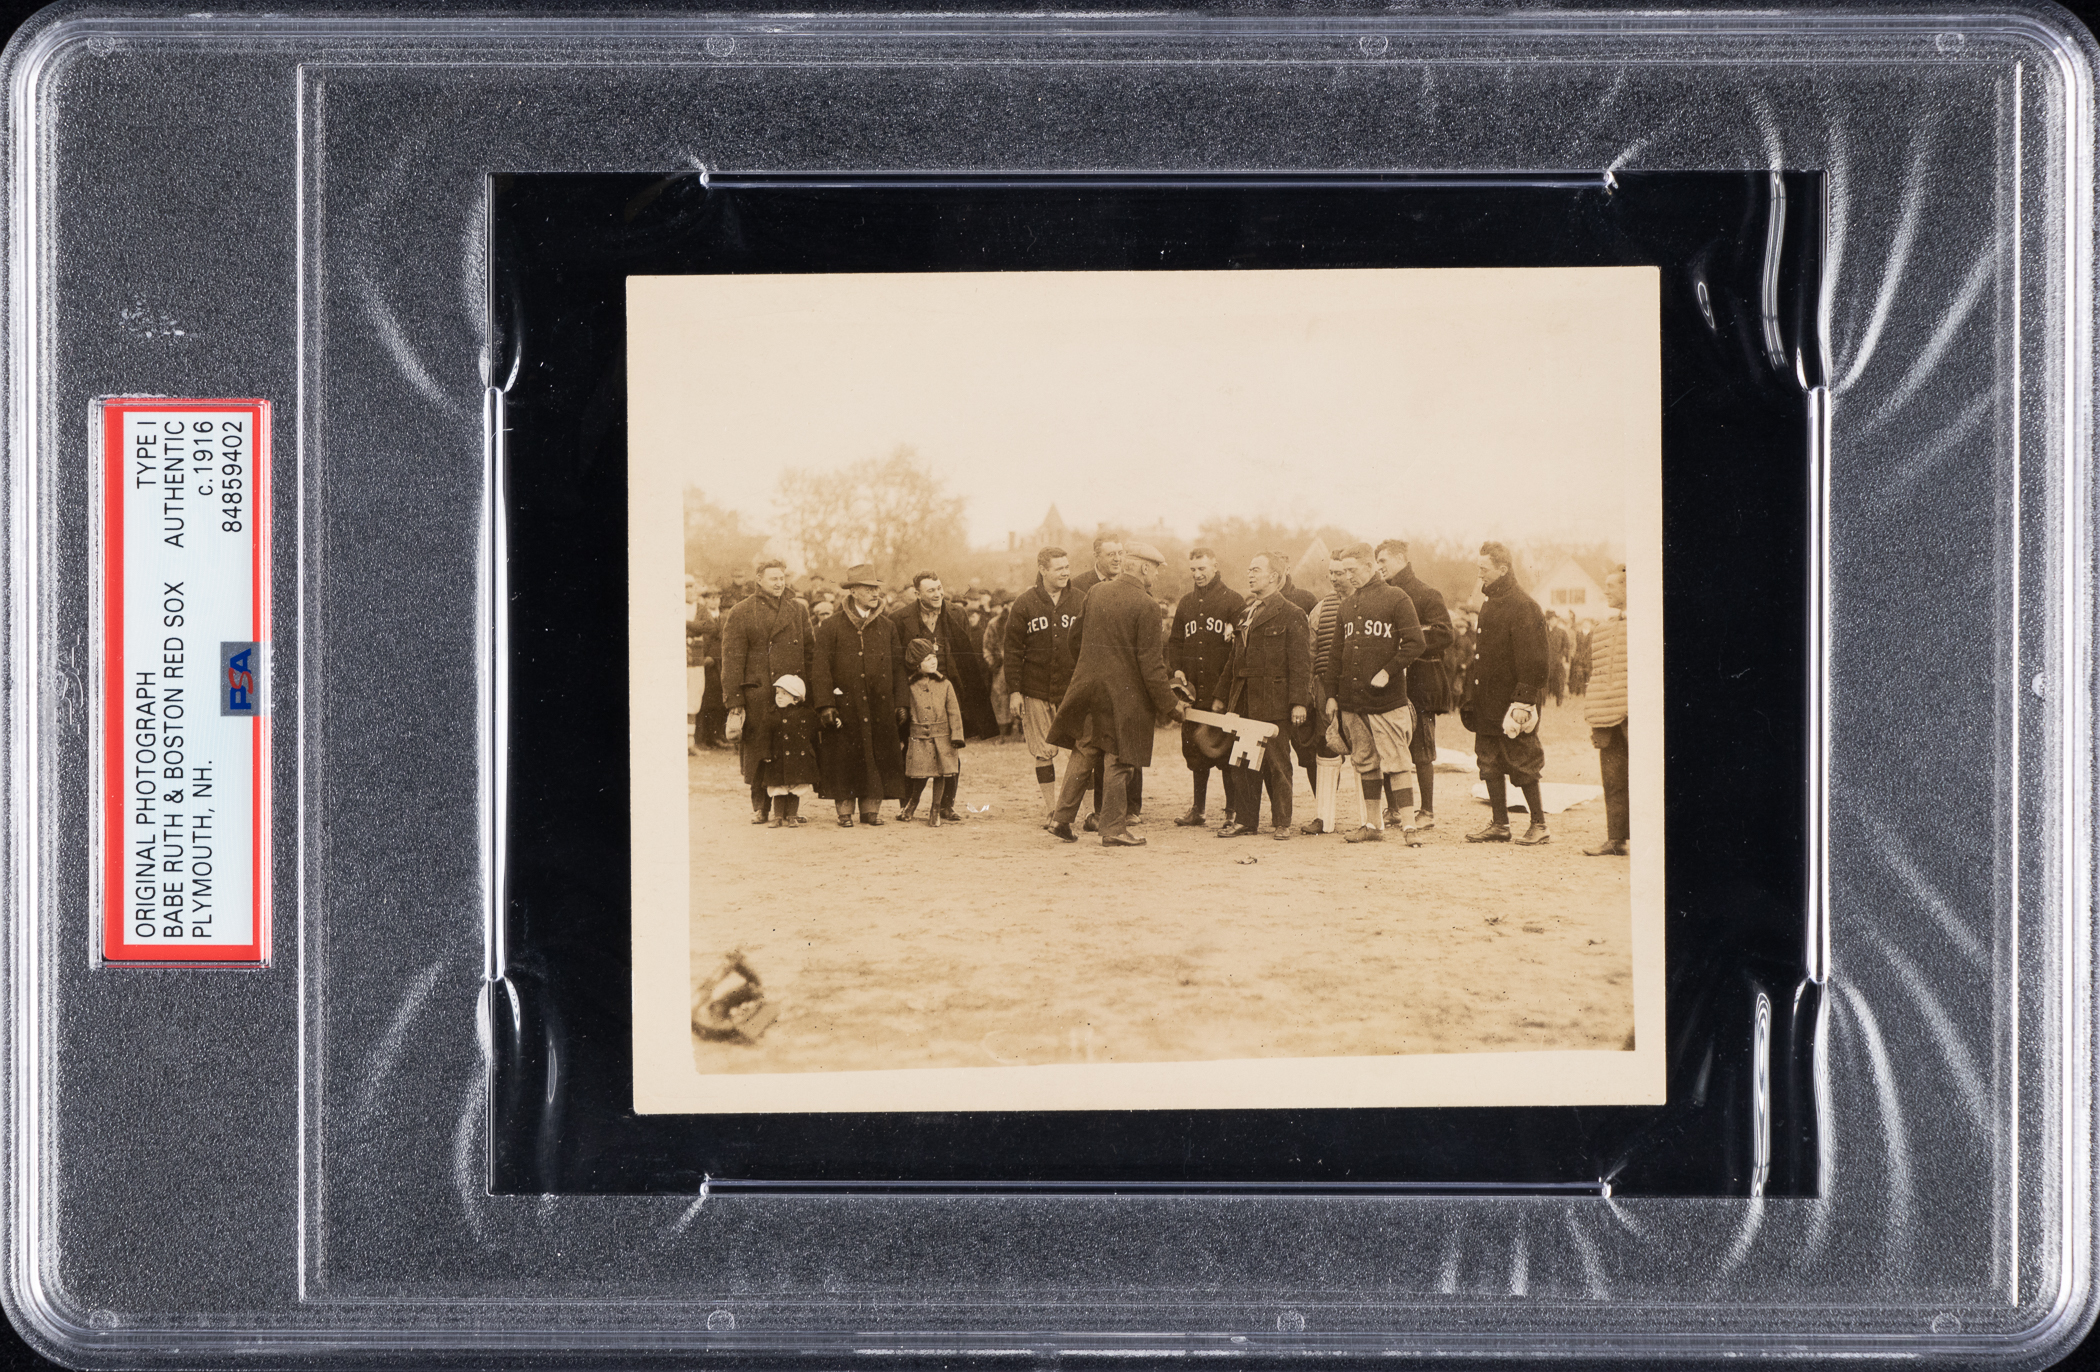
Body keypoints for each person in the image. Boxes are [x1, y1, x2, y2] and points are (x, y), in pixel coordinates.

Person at [1046, 542, 1185, 846]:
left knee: (1084, 751)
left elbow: (1074, 638)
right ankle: (1113, 829)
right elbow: (1151, 666)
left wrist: (1091, 668)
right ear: (1145, 568)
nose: (1157, 576)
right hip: (1126, 697)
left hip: (1089, 688)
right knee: (1120, 760)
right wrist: (1171, 705)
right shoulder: (1147, 605)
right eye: (1156, 569)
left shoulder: (1097, 592)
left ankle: (1061, 819)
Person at [1320, 542, 1426, 844]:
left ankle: (1409, 827)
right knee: (1365, 761)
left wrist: (1388, 670)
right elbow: (1335, 656)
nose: (1348, 576)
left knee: (1397, 762)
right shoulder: (1347, 605)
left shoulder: (1396, 597)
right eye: (1345, 571)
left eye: (1353, 570)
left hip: (1387, 700)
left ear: (1370, 567)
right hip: (1353, 700)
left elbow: (1415, 642)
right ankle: (1372, 824)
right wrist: (1331, 694)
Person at [1211, 551, 1312, 839]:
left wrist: (1298, 702)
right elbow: (1234, 661)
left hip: (1275, 703)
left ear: (1274, 576)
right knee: (1243, 763)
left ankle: (1282, 822)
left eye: (1256, 569)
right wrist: (1221, 696)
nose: (1250, 574)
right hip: (1244, 702)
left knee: (1277, 764)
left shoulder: (1293, 614)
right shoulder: (1246, 613)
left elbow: (1301, 663)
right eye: (1249, 569)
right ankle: (1246, 821)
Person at [888, 570, 1000, 820]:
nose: (938, 593)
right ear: (917, 594)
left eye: (939, 588)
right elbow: (896, 663)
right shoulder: (899, 618)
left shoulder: (956, 613)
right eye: (931, 590)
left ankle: (947, 805)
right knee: (912, 748)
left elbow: (964, 656)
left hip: (949, 692)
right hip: (915, 695)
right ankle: (907, 804)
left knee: (950, 748)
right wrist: (902, 700)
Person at [1461, 541, 1552, 845]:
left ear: (1502, 569)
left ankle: (1539, 825)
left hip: (1512, 702)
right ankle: (1500, 824)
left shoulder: (1524, 605)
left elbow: (1536, 660)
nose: (1480, 575)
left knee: (1523, 761)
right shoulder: (1489, 603)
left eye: (1484, 569)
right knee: (1487, 762)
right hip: (1487, 702)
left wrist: (1523, 702)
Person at [811, 564, 909, 828]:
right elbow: (820, 669)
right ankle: (844, 812)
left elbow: (898, 667)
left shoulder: (887, 627)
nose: (875, 593)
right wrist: (825, 705)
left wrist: (901, 702)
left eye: (876, 588)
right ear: (853, 591)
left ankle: (871, 810)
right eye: (868, 588)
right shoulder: (830, 627)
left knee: (877, 755)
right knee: (844, 756)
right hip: (845, 707)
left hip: (880, 707)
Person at [720, 557, 814, 825]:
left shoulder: (798, 610)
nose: (779, 583)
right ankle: (760, 807)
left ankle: (789, 809)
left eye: (782, 578)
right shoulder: (741, 611)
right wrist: (735, 700)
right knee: (759, 753)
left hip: (792, 695)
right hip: (758, 695)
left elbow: (809, 653)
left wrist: (807, 694)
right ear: (758, 579)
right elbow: (732, 660)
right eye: (773, 578)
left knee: (791, 752)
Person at [1374, 538, 1455, 836]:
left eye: (1383, 561)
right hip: (1390, 684)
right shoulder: (1381, 596)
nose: (1379, 567)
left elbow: (1445, 634)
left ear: (1401, 559)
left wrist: (1407, 641)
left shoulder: (1426, 594)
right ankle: (1394, 808)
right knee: (1388, 746)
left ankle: (1427, 810)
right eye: (1377, 562)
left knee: (1420, 750)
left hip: (1420, 683)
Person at [1165, 546, 1246, 828]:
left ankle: (1231, 812)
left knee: (1224, 753)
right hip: (1193, 691)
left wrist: (1233, 631)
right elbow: (1174, 641)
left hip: (1220, 694)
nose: (1197, 575)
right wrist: (1176, 669)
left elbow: (1242, 646)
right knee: (1196, 753)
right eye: (1193, 570)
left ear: (1215, 566)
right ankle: (1198, 810)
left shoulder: (1233, 600)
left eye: (1202, 569)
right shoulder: (1186, 603)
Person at [1004, 546, 1085, 819]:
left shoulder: (1080, 600)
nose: (1065, 573)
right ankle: (1051, 809)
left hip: (1072, 690)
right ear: (1043, 569)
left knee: (1083, 750)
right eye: (1059, 568)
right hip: (1035, 688)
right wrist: (1014, 691)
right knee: (1042, 751)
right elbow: (1012, 651)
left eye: (1067, 567)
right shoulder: (1024, 602)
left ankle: (1087, 812)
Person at [1300, 553, 1361, 836]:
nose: (1335, 578)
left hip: (1362, 688)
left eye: (1341, 573)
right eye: (1332, 573)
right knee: (1325, 749)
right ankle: (1324, 818)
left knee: (1366, 750)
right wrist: (1313, 690)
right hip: (1327, 688)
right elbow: (1310, 653)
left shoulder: (1370, 603)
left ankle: (1369, 820)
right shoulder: (1321, 609)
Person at [1583, 567, 1629, 856]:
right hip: (1606, 715)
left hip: (1633, 715)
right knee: (1611, 779)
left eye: (1612, 585)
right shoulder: (1601, 629)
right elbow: (1596, 674)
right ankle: (1615, 840)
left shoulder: (1649, 624)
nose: (1606, 590)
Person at [900, 638, 968, 827]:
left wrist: (957, 736)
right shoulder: (909, 686)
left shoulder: (945, 684)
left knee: (942, 774)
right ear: (916, 663)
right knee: (920, 775)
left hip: (943, 737)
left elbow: (954, 712)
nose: (933, 661)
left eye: (934, 657)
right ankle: (911, 804)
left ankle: (935, 810)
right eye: (928, 658)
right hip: (919, 737)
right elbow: (905, 709)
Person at [759, 674, 821, 827]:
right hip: (777, 759)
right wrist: (765, 753)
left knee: (795, 788)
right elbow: (764, 736)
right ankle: (778, 817)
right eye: (777, 693)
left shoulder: (806, 714)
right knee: (778, 787)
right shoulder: (771, 714)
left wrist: (829, 722)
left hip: (798, 760)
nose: (779, 697)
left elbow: (816, 729)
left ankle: (792, 816)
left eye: (784, 694)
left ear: (796, 699)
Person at [694, 587, 728, 748]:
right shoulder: (702, 616)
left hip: (719, 662)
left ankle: (716, 736)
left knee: (718, 700)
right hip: (706, 661)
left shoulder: (723, 617)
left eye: (717, 598)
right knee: (706, 700)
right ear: (705, 600)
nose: (714, 601)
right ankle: (703, 738)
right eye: (711, 598)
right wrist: (706, 657)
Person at [685, 578, 716, 757]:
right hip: (677, 660)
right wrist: (697, 628)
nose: (690, 591)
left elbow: (710, 627)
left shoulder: (700, 608)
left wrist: (687, 625)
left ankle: (690, 743)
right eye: (686, 587)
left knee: (693, 700)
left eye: (692, 587)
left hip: (696, 662)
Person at [1547, 611, 1572, 706]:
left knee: (1559, 682)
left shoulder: (1561, 632)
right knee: (1543, 683)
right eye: (1553, 619)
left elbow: (1566, 646)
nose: (1555, 621)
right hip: (1546, 661)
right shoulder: (1543, 631)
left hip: (1557, 661)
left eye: (1556, 619)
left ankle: (1559, 702)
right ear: (1548, 620)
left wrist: (1565, 658)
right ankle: (1543, 702)